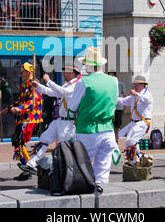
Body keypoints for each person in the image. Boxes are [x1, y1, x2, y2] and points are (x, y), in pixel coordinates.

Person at [65, 47, 119, 184]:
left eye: (84, 64)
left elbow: (72, 108)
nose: (83, 67)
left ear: (88, 65)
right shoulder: (114, 81)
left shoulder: (83, 82)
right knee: (102, 172)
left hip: (87, 130)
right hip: (108, 130)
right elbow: (114, 100)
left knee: (83, 169)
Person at [19, 65, 81, 175]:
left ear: (72, 73)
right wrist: (38, 86)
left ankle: (64, 172)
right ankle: (32, 164)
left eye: (65, 71)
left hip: (68, 122)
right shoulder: (68, 85)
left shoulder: (77, 85)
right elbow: (52, 92)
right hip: (59, 121)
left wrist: (49, 81)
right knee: (44, 138)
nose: (63, 73)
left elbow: (62, 92)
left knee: (65, 148)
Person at [0, 61, 43, 181]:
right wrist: (7, 109)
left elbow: (31, 103)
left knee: (19, 142)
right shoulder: (24, 85)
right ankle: (27, 169)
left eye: (23, 71)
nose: (21, 73)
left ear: (29, 72)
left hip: (30, 118)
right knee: (16, 143)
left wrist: (18, 109)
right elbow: (20, 102)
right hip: (23, 118)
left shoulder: (34, 85)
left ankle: (29, 166)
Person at [116, 75, 153, 167]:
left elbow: (146, 100)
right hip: (134, 122)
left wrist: (137, 94)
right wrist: (111, 98)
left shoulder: (147, 95)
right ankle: (137, 159)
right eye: (134, 85)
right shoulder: (134, 97)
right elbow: (123, 101)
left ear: (142, 85)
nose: (134, 87)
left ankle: (136, 159)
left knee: (131, 140)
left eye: (136, 85)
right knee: (124, 138)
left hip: (143, 122)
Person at [108, 71, 127, 142]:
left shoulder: (121, 84)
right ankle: (112, 139)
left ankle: (117, 139)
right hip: (110, 108)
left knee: (118, 125)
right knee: (111, 124)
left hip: (119, 108)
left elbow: (125, 96)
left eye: (112, 76)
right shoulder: (108, 84)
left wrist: (125, 108)